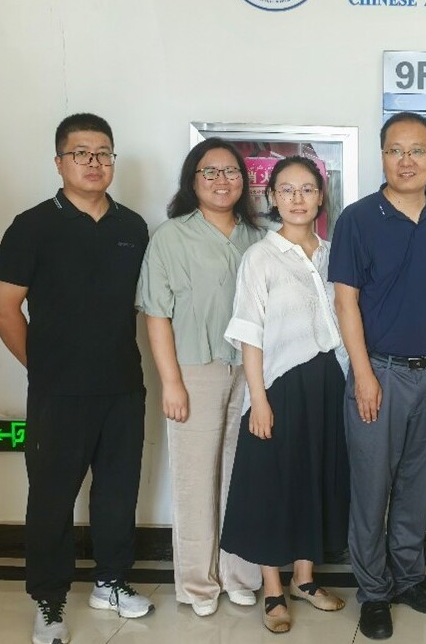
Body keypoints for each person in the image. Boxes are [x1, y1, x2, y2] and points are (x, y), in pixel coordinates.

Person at [0, 113, 152, 644]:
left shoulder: (133, 227)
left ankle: (111, 581)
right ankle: (49, 599)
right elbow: (3, 308)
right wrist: (43, 366)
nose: (93, 162)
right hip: (58, 392)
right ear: (59, 162)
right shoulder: (32, 226)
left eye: (103, 152)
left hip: (123, 386)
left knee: (118, 493)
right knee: (52, 498)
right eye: (81, 153)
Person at [330, 112, 426, 641]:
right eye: (395, 150)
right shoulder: (358, 219)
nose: (407, 161)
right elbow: (346, 302)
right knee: (371, 488)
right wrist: (363, 374)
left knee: (417, 484)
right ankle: (374, 593)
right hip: (379, 373)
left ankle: (407, 580)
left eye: (418, 151)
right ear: (382, 156)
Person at [220, 156, 350, 634]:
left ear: (320, 196)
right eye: (287, 189)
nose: (298, 198)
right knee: (273, 484)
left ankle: (305, 579)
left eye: (307, 189)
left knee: (316, 478)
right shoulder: (261, 257)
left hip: (329, 380)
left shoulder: (334, 254)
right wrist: (258, 399)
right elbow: (249, 333)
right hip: (279, 384)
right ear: (272, 196)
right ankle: (273, 589)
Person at [136, 138, 265, 616]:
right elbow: (156, 313)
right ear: (193, 180)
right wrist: (171, 381)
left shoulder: (258, 237)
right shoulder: (171, 237)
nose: (221, 180)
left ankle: (239, 575)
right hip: (194, 370)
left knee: (243, 475)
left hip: (250, 371)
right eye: (210, 172)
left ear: (244, 181)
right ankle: (197, 585)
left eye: (231, 172)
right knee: (195, 481)